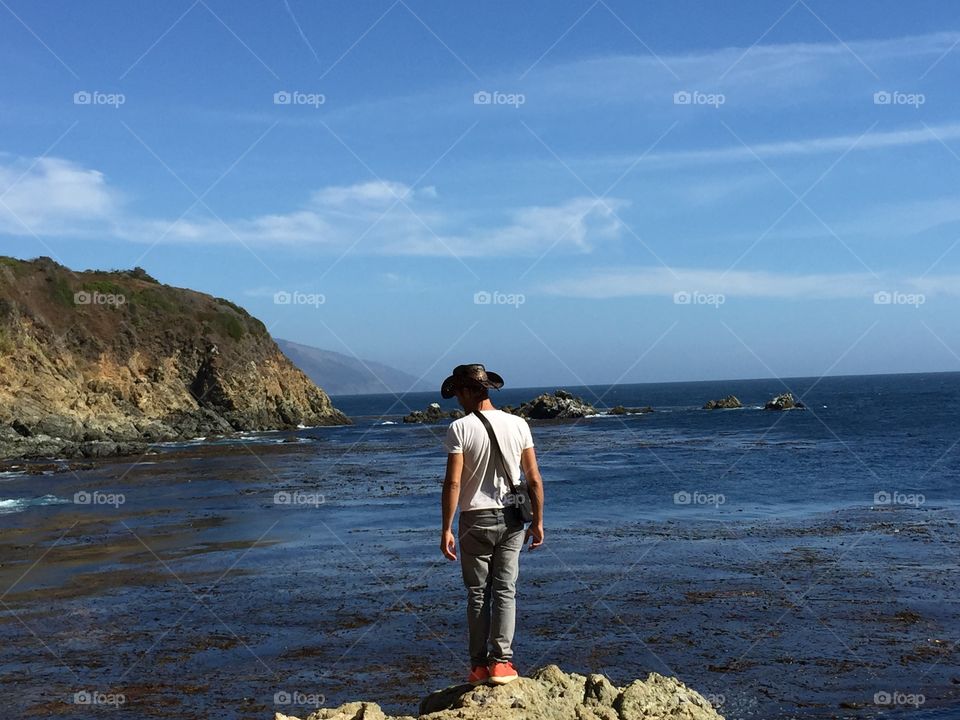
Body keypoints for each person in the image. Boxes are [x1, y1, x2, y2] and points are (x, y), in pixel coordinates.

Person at [439, 364, 545, 686]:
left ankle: (478, 667)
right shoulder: (519, 424)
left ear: (469, 391)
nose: (458, 400)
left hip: (475, 519)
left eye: (458, 394)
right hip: (513, 517)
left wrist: (446, 528)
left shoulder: (459, 428)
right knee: (505, 591)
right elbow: (534, 479)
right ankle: (501, 663)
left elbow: (453, 483)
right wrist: (538, 522)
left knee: (477, 594)